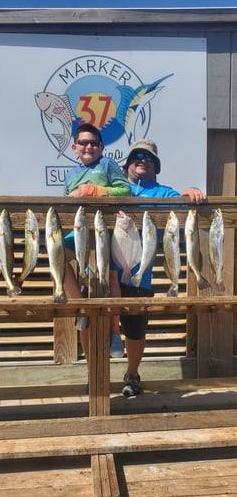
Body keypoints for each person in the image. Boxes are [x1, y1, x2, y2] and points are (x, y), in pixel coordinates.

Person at [119, 139, 206, 397]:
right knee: (91, 326)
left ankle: (132, 375)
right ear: (127, 163)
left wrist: (191, 191)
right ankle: (95, 375)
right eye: (136, 155)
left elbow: (183, 200)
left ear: (156, 166)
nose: (142, 159)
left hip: (138, 279)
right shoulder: (115, 187)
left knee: (135, 331)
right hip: (104, 272)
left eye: (148, 157)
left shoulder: (162, 193)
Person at [63, 123, 131, 365]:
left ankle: (115, 333)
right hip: (80, 230)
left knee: (110, 277)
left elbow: (126, 190)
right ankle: (81, 309)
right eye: (83, 142)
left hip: (107, 231)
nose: (89, 146)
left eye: (93, 143)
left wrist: (95, 190)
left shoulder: (107, 165)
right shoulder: (70, 175)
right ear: (74, 148)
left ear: (102, 147)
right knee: (57, 258)